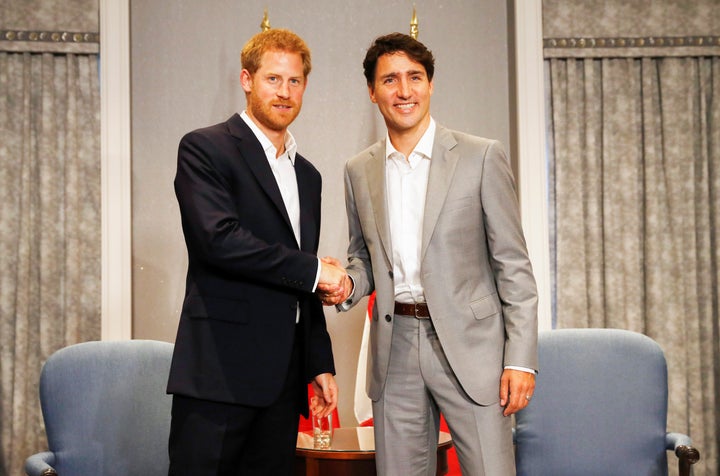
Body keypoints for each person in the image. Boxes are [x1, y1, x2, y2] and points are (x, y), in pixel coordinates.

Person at [319, 33, 538, 476]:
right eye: (391, 80)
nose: (404, 91)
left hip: (473, 349)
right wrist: (346, 283)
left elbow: (512, 265)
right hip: (394, 346)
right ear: (372, 91)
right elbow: (363, 258)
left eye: (415, 78)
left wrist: (519, 360)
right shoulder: (358, 170)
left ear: (431, 84)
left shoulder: (480, 157)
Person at [167, 28, 346, 475]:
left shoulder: (309, 176)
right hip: (218, 376)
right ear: (246, 80)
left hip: (282, 382)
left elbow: (301, 275)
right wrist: (314, 272)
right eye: (273, 79)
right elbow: (219, 241)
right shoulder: (205, 147)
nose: (284, 93)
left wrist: (318, 361)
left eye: (294, 81)